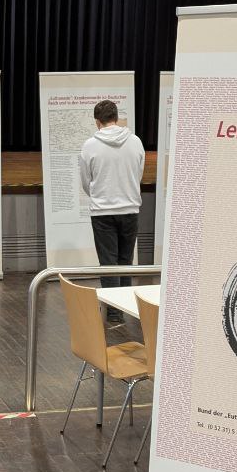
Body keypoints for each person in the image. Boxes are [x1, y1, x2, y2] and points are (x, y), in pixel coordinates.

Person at [78, 99, 144, 323]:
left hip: (103, 211)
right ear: (116, 118)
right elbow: (139, 174)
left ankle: (113, 314)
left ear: (97, 122)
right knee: (125, 261)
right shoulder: (136, 142)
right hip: (130, 209)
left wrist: (99, 195)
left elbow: (87, 182)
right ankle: (124, 307)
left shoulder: (89, 146)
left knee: (108, 263)